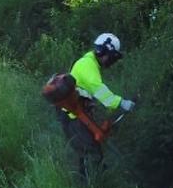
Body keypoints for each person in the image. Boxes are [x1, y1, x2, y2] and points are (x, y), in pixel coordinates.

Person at [58, 32, 135, 178]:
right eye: (112, 58)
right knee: (92, 153)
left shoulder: (88, 62)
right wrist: (121, 103)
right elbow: (99, 90)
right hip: (73, 117)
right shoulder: (88, 65)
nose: (111, 62)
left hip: (75, 114)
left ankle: (86, 185)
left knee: (86, 151)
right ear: (105, 53)